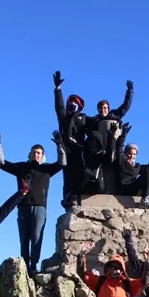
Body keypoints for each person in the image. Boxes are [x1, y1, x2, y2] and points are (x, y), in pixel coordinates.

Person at [0, 131, 65, 274]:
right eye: (33, 152)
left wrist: (59, 145)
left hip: (40, 207)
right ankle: (25, 265)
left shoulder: (47, 169)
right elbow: (2, 164)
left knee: (37, 236)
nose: (35, 155)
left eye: (38, 153)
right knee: (24, 237)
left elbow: (62, 163)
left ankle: (33, 265)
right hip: (23, 207)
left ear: (42, 155)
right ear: (30, 153)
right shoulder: (21, 167)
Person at [52, 70, 87, 208]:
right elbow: (59, 105)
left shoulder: (83, 118)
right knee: (67, 175)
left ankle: (76, 197)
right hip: (65, 149)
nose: (73, 104)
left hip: (78, 151)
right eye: (71, 102)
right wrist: (58, 89)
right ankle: (66, 198)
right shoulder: (64, 116)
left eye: (76, 103)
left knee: (79, 174)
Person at [114, 124, 149, 207]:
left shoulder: (137, 166)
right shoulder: (121, 162)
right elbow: (119, 148)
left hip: (137, 189)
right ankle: (145, 198)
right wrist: (123, 134)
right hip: (125, 189)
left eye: (134, 154)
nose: (132, 156)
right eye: (130, 153)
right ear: (126, 153)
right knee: (148, 173)